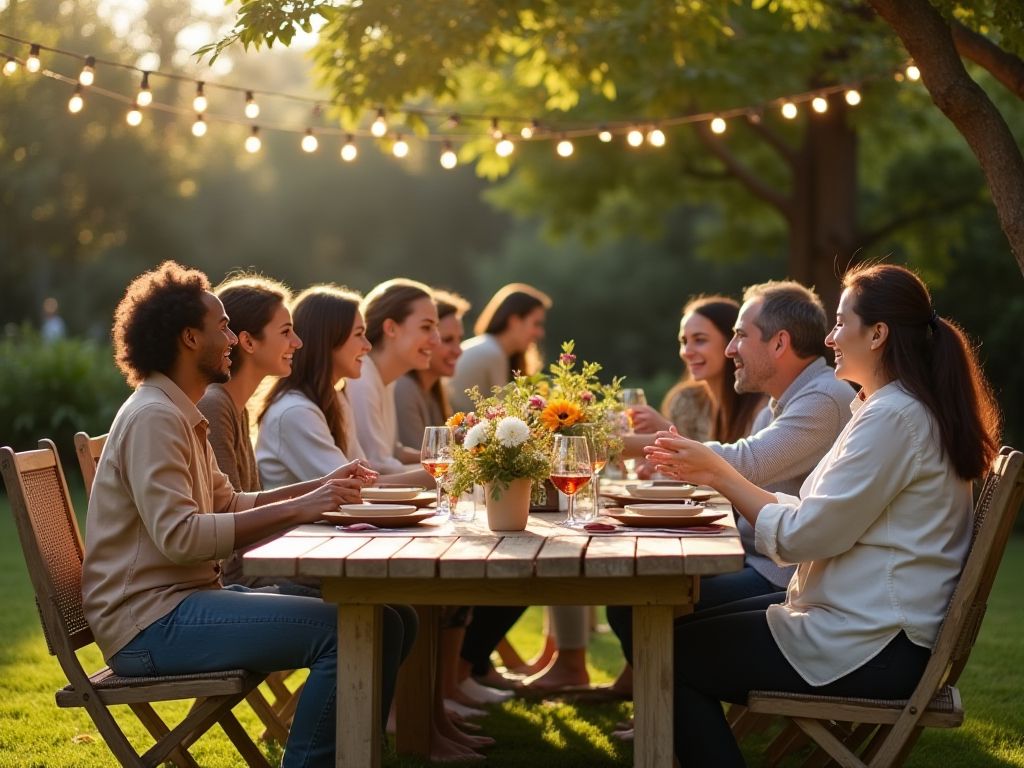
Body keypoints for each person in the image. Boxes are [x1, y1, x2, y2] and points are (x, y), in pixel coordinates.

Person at [644, 263, 1000, 766]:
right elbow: (815, 517)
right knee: (665, 635)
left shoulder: (894, 417)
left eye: (840, 323)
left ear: (877, 334)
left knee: (665, 656)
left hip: (873, 643)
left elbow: (806, 536)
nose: (830, 337)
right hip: (869, 627)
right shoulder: (888, 409)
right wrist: (718, 471)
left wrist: (721, 475)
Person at [80, 262, 415, 768]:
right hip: (150, 625)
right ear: (190, 338)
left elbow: (228, 502)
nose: (233, 337)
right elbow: (182, 539)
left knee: (387, 621)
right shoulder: (155, 417)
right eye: (223, 327)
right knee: (349, 633)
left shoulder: (178, 411)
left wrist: (321, 487)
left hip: (182, 605)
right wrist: (306, 505)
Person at [609, 281, 856, 673]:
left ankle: (663, 718)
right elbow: (734, 471)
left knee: (635, 600)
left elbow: (745, 462)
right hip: (759, 559)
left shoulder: (823, 399)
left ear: (779, 343)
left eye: (740, 335)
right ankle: (657, 707)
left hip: (782, 576)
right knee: (638, 587)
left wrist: (624, 444)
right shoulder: (782, 401)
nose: (730, 349)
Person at [197, 273, 320, 595]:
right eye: (286, 332)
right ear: (248, 341)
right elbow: (229, 521)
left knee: (391, 609)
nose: (297, 342)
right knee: (367, 600)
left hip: (255, 566)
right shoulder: (214, 405)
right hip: (236, 580)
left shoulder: (237, 406)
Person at [256, 284, 429, 488]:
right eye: (358, 334)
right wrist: (437, 475)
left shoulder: (336, 398)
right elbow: (352, 487)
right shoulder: (296, 412)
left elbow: (366, 476)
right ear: (329, 340)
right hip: (301, 521)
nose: (367, 345)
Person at [346, 278, 441, 474]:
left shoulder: (386, 380)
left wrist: (455, 456)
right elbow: (377, 465)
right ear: (390, 328)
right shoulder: (362, 379)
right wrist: (452, 470)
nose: (436, 340)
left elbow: (393, 451)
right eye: (426, 327)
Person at [447, 282, 551, 413]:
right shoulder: (492, 353)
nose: (541, 333)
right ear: (514, 321)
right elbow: (508, 415)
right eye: (536, 324)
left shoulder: (489, 347)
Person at [395, 289, 470, 451]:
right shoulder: (404, 389)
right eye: (448, 340)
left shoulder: (435, 392)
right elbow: (423, 461)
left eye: (460, 339)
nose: (458, 350)